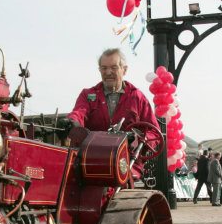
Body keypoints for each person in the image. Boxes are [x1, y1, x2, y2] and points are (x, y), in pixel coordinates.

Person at [67, 49, 160, 178]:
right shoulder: (87, 95)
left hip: (127, 165)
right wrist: (72, 122)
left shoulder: (137, 97)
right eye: (104, 68)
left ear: (124, 70)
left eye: (114, 68)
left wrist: (136, 140)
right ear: (99, 70)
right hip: (91, 162)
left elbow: (154, 132)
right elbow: (79, 113)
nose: (108, 72)